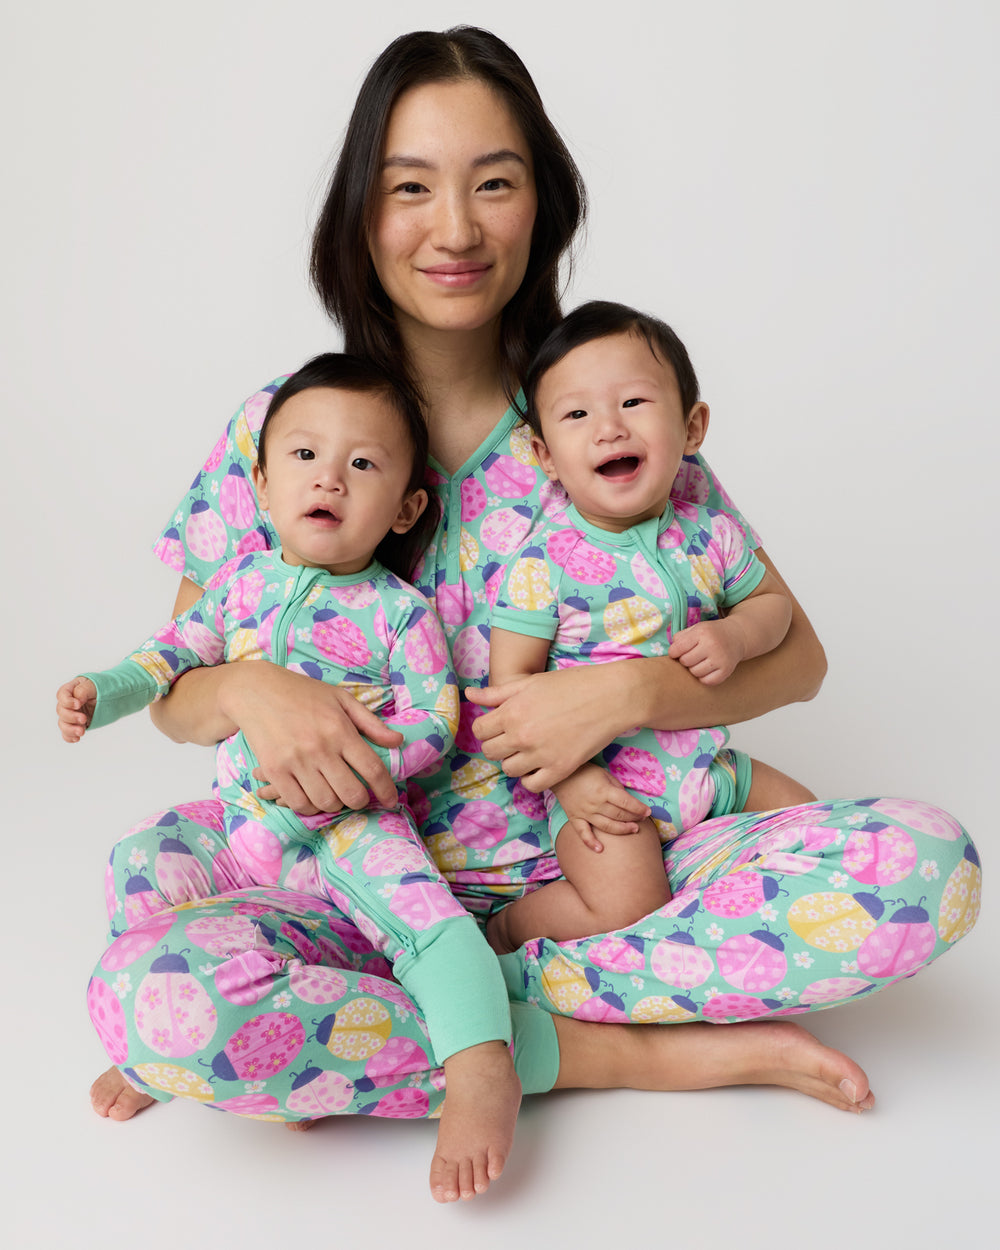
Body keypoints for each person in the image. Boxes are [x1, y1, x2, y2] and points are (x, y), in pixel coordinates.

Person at [84, 26, 979, 1205]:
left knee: (925, 868)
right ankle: (622, 1052)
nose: (453, 229)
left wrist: (631, 691)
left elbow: (797, 655)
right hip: (349, 883)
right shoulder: (292, 421)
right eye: (411, 187)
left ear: (543, 205)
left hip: (597, 872)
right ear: (361, 212)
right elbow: (180, 692)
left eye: (493, 183)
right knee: (160, 981)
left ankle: (365, 1047)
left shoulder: (597, 407)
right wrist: (254, 689)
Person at [60, 354, 521, 1197]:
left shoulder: (397, 612)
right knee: (144, 854)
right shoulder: (238, 586)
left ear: (405, 508)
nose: (331, 480)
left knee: (432, 926)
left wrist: (363, 768)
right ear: (264, 487)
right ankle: (167, 1055)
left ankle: (483, 1069)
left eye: (364, 464)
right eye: (305, 457)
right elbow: (171, 658)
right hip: (240, 825)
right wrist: (106, 691)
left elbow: (433, 719)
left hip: (346, 828)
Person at [486, 301, 815, 954]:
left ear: (692, 427)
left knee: (816, 827)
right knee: (629, 909)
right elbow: (508, 692)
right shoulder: (542, 560)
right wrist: (575, 783)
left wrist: (737, 636)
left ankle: (738, 948)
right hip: (610, 789)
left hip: (713, 769)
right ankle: (510, 929)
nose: (607, 429)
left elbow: (776, 611)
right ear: (545, 455)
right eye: (577, 415)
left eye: (634, 402)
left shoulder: (710, 532)